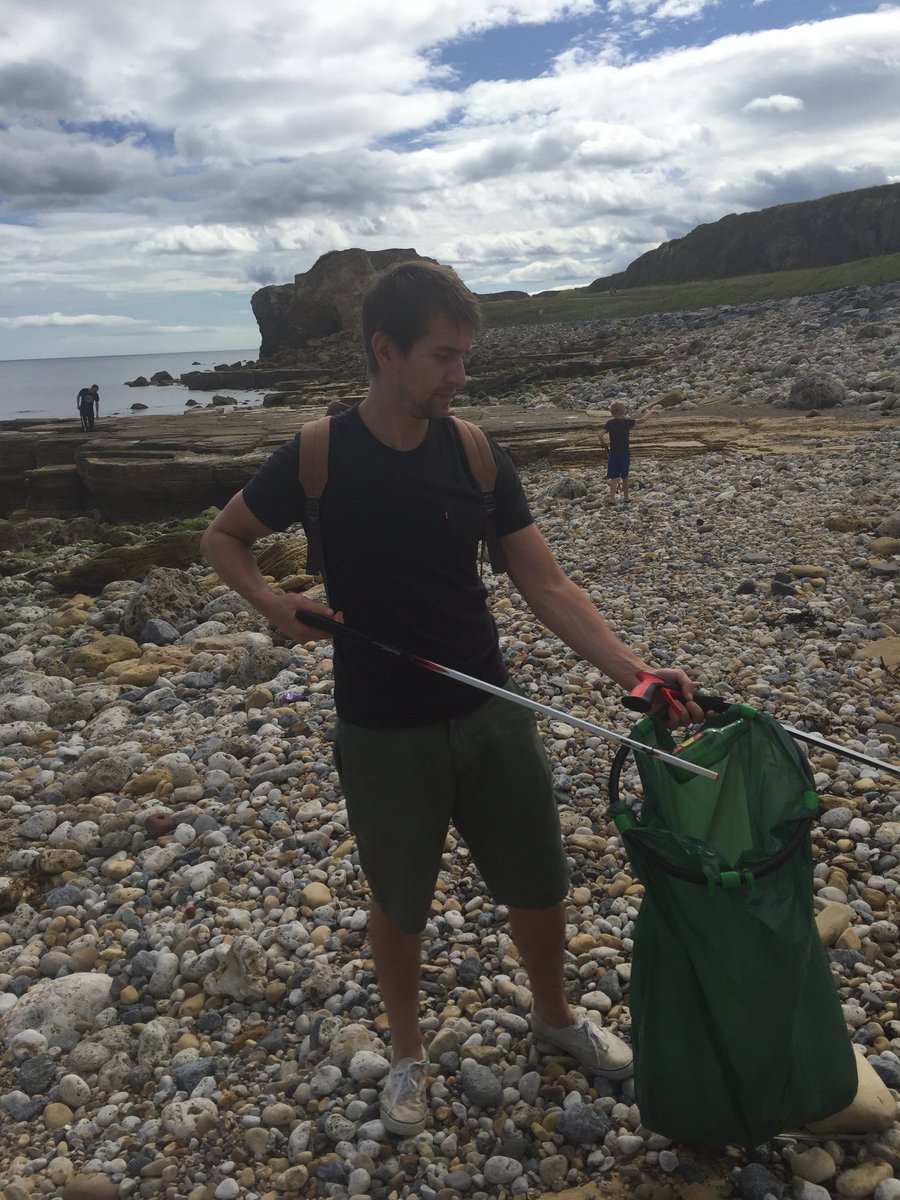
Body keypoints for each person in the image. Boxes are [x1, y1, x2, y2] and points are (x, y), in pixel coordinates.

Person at [200, 261, 701, 1137]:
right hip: (381, 727)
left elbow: (545, 584)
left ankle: (554, 1018)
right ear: (384, 350)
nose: (459, 375)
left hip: (488, 710)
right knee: (400, 901)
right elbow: (224, 538)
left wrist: (635, 672)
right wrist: (275, 605)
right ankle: (407, 1053)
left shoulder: (474, 454)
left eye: (465, 356)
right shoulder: (315, 456)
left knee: (541, 885)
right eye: (443, 356)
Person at [599, 400, 658, 504]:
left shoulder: (609, 423)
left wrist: (604, 444)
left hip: (613, 453)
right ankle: (626, 497)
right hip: (624, 453)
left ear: (611, 412)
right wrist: (650, 412)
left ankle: (612, 499)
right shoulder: (626, 422)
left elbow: (600, 435)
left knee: (614, 477)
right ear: (624, 411)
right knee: (625, 476)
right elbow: (641, 420)